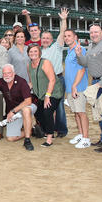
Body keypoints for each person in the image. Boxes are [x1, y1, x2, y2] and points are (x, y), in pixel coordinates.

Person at [76, 23, 102, 153]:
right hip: (96, 82)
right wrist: (79, 55)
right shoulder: (91, 46)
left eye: (96, 32)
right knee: (99, 111)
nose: (93, 34)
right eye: (91, 32)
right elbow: (85, 63)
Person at [0, 64, 36, 151]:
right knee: (11, 138)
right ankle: (31, 130)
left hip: (28, 106)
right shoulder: (1, 82)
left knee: (26, 110)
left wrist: (13, 111)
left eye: (9, 73)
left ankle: (27, 140)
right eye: (4, 73)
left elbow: (28, 101)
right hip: (14, 112)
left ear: (14, 73)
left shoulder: (21, 81)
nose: (6, 75)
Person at [40, 8, 69, 137]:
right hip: (45, 81)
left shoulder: (56, 47)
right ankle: (49, 129)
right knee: (47, 106)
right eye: (43, 38)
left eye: (48, 38)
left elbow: (63, 32)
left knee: (60, 106)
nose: (45, 40)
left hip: (57, 79)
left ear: (52, 40)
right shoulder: (38, 51)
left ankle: (61, 130)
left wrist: (63, 20)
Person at [27, 44, 62, 147]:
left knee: (47, 111)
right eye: (31, 51)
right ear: (28, 53)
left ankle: (49, 138)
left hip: (53, 92)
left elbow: (52, 80)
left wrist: (48, 96)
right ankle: (46, 131)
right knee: (38, 113)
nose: (33, 53)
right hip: (40, 94)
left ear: (39, 53)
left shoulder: (45, 63)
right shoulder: (29, 65)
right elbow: (32, 81)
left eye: (35, 51)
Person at [63, 29, 90, 149]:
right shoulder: (69, 51)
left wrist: (74, 85)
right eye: (65, 36)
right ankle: (80, 134)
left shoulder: (80, 49)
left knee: (81, 112)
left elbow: (82, 69)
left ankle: (86, 138)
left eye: (69, 36)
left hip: (78, 87)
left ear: (75, 37)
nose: (67, 38)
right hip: (70, 88)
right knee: (75, 112)